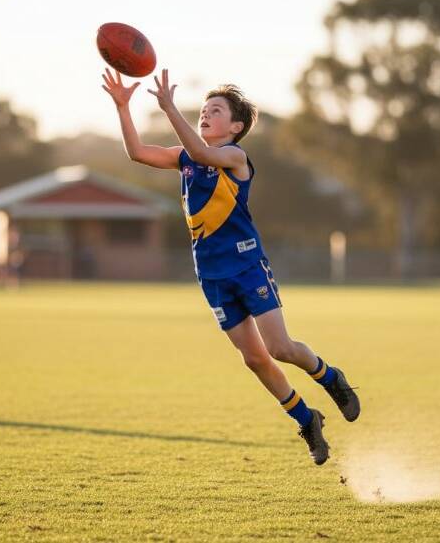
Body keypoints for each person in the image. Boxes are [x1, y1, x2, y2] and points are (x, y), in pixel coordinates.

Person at [101, 68, 360, 465]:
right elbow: (136, 152)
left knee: (280, 347)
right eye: (203, 110)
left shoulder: (234, 157)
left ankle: (330, 378)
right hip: (212, 275)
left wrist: (171, 109)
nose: (205, 115)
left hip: (246, 264)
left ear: (236, 126)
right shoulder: (183, 158)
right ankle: (307, 420)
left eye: (215, 110)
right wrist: (123, 107)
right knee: (255, 359)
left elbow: (206, 155)